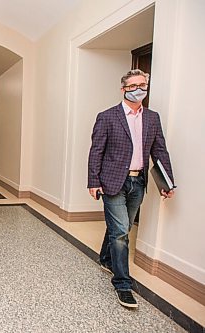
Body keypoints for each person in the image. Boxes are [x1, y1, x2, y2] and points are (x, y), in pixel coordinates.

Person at [88, 69, 175, 308]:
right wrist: (93, 181)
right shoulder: (107, 117)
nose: (139, 89)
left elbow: (159, 151)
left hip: (138, 183)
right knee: (121, 233)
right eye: (133, 85)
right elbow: (96, 151)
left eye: (143, 85)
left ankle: (106, 258)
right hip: (113, 181)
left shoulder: (152, 118)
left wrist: (167, 182)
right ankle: (122, 284)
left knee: (121, 227)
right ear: (123, 89)